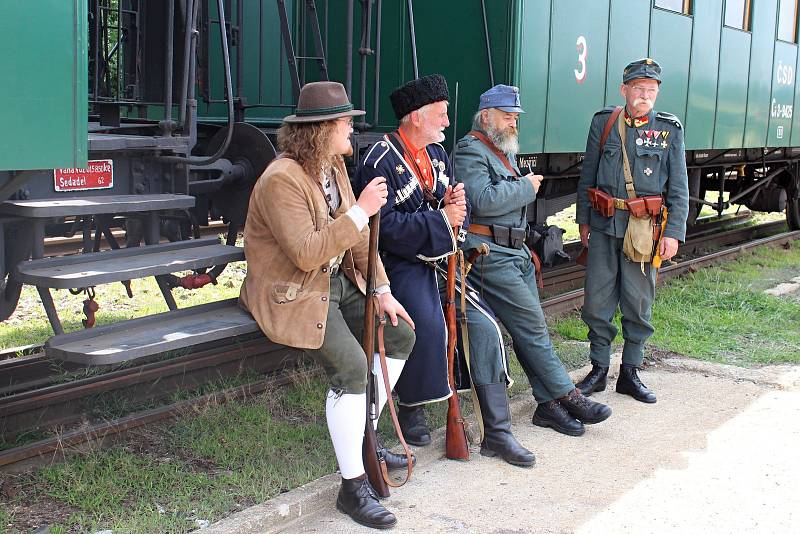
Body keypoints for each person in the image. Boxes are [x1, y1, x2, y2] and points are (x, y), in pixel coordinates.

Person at [239, 81, 416, 530]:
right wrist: (361, 210)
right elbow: (305, 252)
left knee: (399, 334)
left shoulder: (332, 166)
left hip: (334, 281)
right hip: (292, 292)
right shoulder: (281, 179)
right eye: (345, 123)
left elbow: (357, 241)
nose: (352, 130)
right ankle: (352, 487)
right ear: (320, 130)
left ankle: (361, 435)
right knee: (353, 368)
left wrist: (381, 289)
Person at [453, 84, 612, 439]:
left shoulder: (500, 151)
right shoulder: (470, 150)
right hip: (490, 255)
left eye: (515, 118)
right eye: (508, 116)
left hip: (515, 252)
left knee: (530, 329)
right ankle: (568, 396)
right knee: (533, 329)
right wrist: (526, 187)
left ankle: (548, 406)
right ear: (486, 116)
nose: (513, 124)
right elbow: (483, 201)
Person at [354, 74, 467, 447]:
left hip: (437, 253)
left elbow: (443, 201)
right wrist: (441, 220)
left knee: (478, 317)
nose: (447, 123)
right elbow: (381, 227)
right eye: (441, 114)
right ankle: (411, 406)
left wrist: (454, 207)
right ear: (415, 117)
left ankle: (469, 394)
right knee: (426, 323)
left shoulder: (436, 154)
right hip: (394, 261)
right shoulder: (379, 161)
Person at [575, 58, 689, 403]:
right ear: (624, 90)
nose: (644, 95)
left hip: (644, 231)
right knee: (597, 300)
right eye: (638, 89)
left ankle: (630, 371)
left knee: (639, 302)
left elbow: (679, 187)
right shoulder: (604, 123)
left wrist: (673, 233)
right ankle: (597, 370)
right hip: (605, 225)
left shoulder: (669, 129)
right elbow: (588, 176)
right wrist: (583, 221)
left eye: (651, 90)